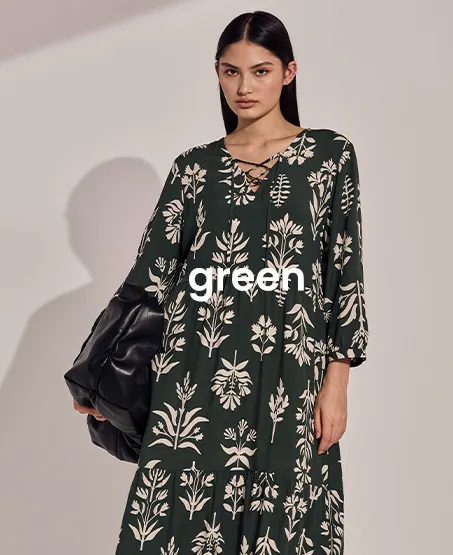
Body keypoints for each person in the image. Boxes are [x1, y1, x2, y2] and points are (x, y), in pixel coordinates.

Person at [75, 10, 369, 554]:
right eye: (231, 72)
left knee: (284, 521)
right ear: (217, 74)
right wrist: (99, 375)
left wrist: (337, 381)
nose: (244, 87)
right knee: (178, 523)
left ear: (289, 72)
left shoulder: (329, 157)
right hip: (195, 373)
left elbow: (343, 273)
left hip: (289, 375)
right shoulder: (194, 168)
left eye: (260, 71)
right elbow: (149, 279)